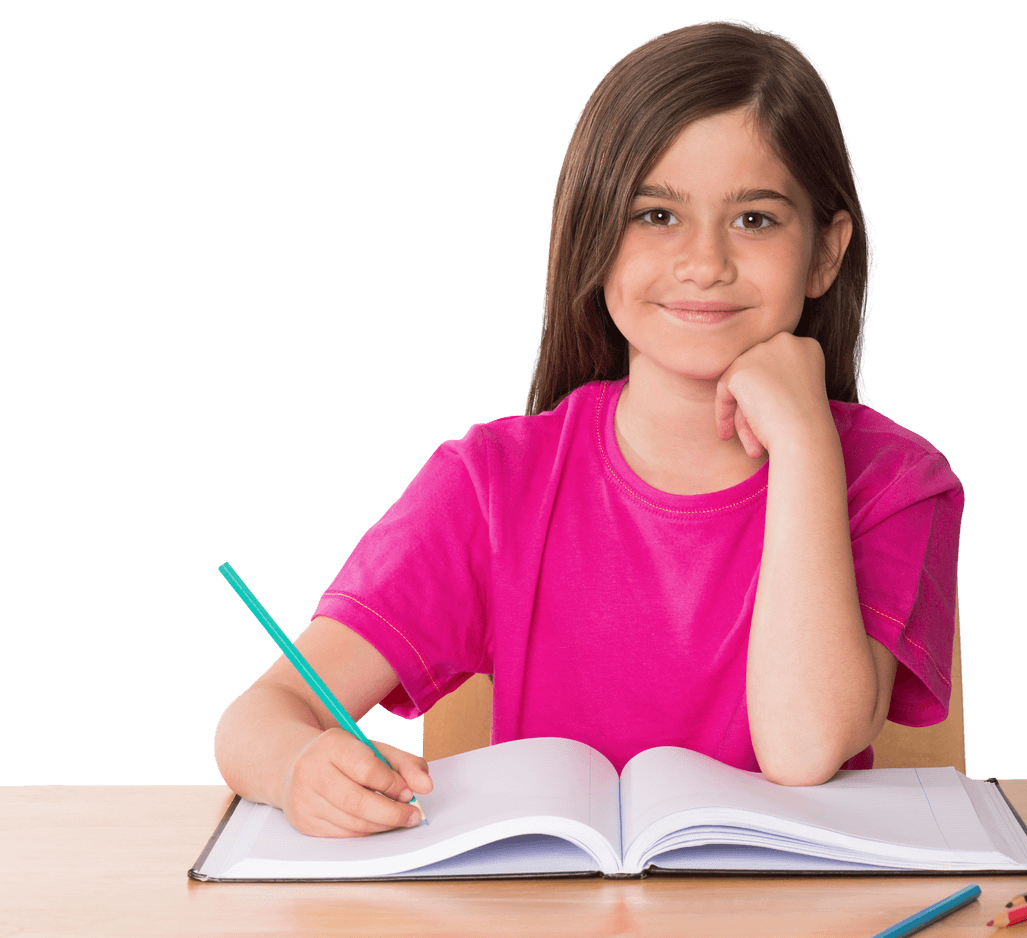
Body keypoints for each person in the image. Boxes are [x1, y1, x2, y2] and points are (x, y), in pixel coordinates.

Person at [214, 19, 963, 838]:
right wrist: (297, 769)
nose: (705, 262)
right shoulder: (493, 482)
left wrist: (807, 440)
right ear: (594, 240)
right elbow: (259, 715)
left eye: (754, 220)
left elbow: (805, 744)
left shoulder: (894, 481)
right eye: (655, 215)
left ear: (826, 253)